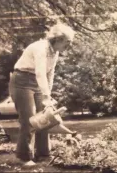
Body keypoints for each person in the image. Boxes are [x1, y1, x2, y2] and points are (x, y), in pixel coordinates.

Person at [9, 22, 76, 166]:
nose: (68, 45)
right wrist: (45, 95)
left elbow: (49, 73)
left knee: (45, 118)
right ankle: (24, 157)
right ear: (57, 39)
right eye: (67, 42)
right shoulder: (41, 48)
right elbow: (40, 72)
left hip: (37, 81)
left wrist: (48, 95)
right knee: (30, 119)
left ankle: (43, 155)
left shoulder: (55, 52)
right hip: (22, 80)